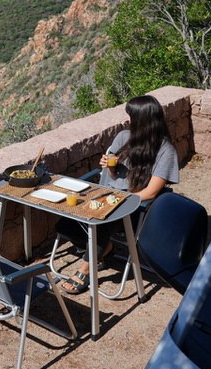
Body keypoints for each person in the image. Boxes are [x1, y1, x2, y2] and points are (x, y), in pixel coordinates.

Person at [58, 94, 180, 294]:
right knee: (65, 223)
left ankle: (85, 270)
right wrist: (110, 166)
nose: (128, 120)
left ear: (144, 120)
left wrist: (121, 202)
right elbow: (113, 175)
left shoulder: (165, 151)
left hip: (135, 206)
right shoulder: (124, 136)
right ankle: (106, 250)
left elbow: (151, 192)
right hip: (106, 196)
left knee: (100, 224)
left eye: (131, 116)